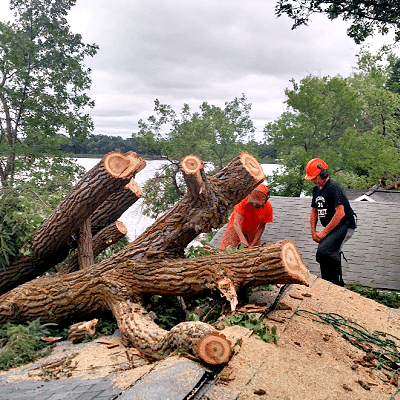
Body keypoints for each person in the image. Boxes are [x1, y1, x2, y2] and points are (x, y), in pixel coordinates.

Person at [305, 158, 356, 286]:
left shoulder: (333, 187)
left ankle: (336, 284)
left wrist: (324, 232)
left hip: (344, 225)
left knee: (326, 250)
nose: (312, 180)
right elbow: (314, 212)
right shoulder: (316, 190)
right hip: (331, 227)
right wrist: (314, 232)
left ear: (323, 174)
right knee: (321, 254)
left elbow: (340, 213)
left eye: (314, 177)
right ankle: (326, 283)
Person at [220, 183, 273, 249]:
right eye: (253, 201)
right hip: (236, 226)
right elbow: (236, 222)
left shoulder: (268, 207)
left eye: (257, 203)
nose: (254, 204)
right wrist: (242, 239)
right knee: (226, 248)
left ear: (265, 199)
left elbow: (261, 227)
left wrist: (253, 245)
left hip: (252, 229)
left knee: (256, 250)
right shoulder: (243, 201)